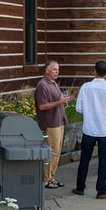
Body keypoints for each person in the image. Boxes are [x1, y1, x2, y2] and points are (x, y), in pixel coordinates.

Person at [74, 59, 106, 199]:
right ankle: (101, 190)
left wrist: (90, 111)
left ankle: (80, 187)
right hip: (105, 129)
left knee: (84, 159)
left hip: (89, 128)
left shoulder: (85, 87)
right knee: (104, 160)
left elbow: (78, 108)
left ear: (94, 71)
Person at [34, 59, 73, 190]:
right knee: (52, 150)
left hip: (59, 120)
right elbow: (42, 106)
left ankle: (52, 177)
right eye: (55, 70)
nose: (57, 72)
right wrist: (59, 102)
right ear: (47, 70)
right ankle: (46, 179)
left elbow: (60, 100)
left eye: (58, 70)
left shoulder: (54, 84)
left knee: (57, 151)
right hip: (50, 123)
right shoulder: (42, 85)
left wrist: (71, 97)